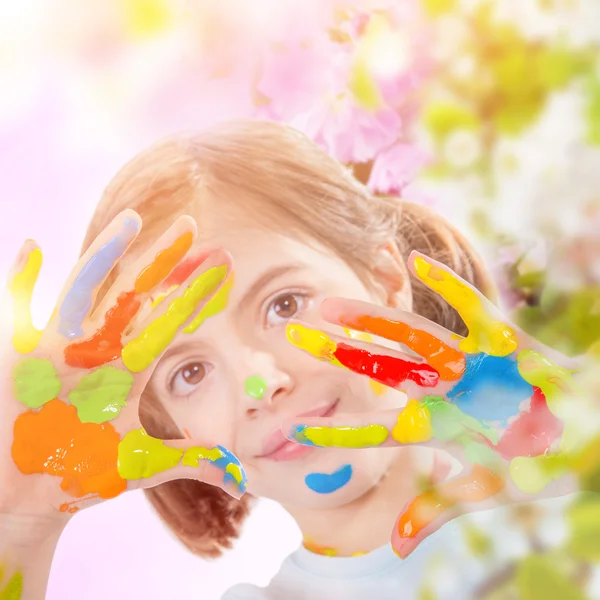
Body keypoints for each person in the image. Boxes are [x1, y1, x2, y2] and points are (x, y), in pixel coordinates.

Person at [0, 119, 580, 600]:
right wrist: (19, 533)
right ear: (168, 428)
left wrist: (586, 452)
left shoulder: (563, 509)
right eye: (190, 372)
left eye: (284, 305)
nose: (261, 384)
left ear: (384, 278)